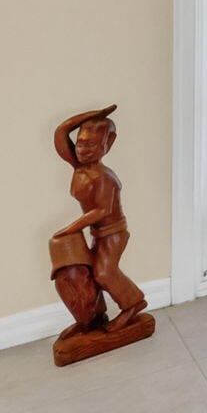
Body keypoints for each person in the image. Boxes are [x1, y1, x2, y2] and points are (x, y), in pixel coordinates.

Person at [52, 104, 147, 331]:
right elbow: (60, 133)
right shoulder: (78, 167)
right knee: (91, 275)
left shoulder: (104, 178)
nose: (83, 150)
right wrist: (91, 115)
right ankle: (96, 316)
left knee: (104, 273)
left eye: (91, 145)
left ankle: (133, 304)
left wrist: (70, 229)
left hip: (113, 233)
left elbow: (101, 211)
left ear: (107, 145)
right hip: (98, 233)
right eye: (81, 143)